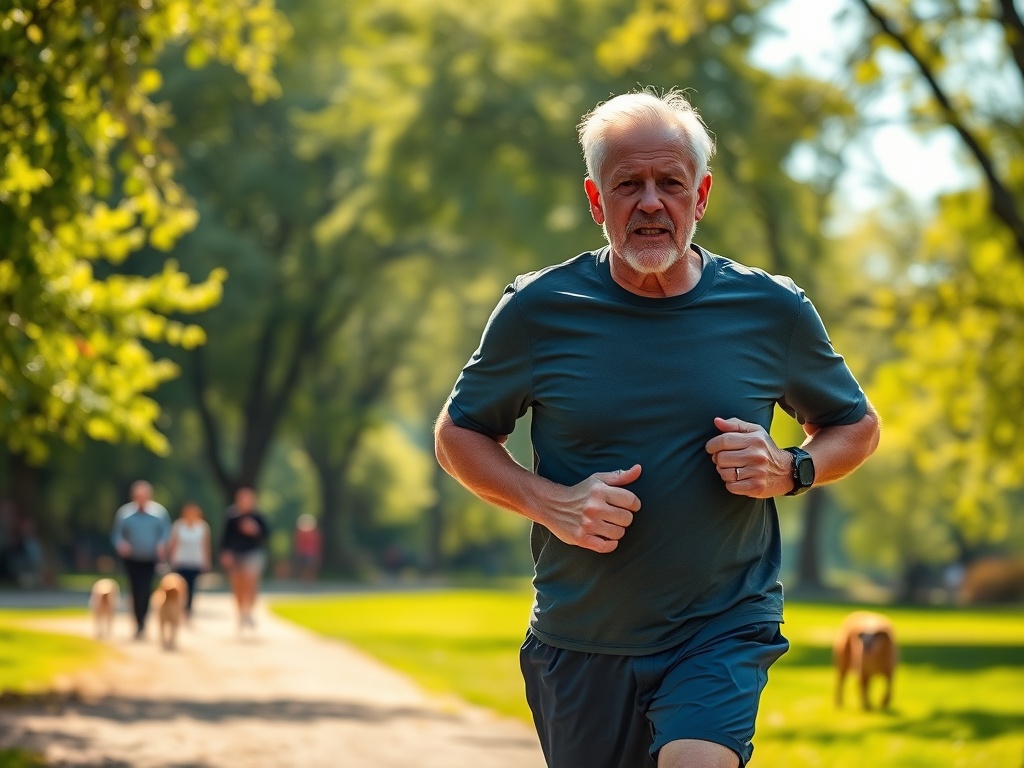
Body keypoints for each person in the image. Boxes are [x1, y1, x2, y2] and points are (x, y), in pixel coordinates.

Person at [434, 89, 880, 768]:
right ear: (595, 200)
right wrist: (549, 502)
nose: (650, 202)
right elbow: (458, 434)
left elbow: (855, 425)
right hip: (580, 638)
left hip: (721, 626)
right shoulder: (540, 309)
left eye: (670, 183)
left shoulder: (769, 309)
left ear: (700, 196)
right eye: (628, 185)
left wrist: (791, 468)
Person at [110, 480, 171, 639]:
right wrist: (121, 544)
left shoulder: (159, 513)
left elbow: (165, 533)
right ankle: (138, 622)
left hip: (150, 558)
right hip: (132, 558)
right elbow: (117, 535)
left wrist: (162, 544)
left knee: (146, 590)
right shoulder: (125, 513)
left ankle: (143, 621)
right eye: (138, 495)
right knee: (135, 590)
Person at [219, 487, 270, 630]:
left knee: (251, 580)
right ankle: (241, 612)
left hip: (253, 553)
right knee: (238, 584)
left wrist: (255, 530)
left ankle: (249, 610)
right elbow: (225, 537)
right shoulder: (232, 516)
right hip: (235, 554)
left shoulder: (258, 516)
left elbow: (266, 535)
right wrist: (225, 552)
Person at [168, 500, 211, 622]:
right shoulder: (178, 525)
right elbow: (174, 543)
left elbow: (205, 545)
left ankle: (188, 610)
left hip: (195, 561)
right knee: (179, 587)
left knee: (191, 587)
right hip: (180, 560)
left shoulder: (203, 527)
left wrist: (206, 561)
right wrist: (171, 558)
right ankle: (178, 608)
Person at [293, 514, 322, 582]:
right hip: (303, 553)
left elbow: (318, 544)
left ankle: (309, 581)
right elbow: (297, 544)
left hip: (312, 553)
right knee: (303, 567)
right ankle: (304, 581)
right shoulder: (300, 533)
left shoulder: (315, 534)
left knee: (310, 568)